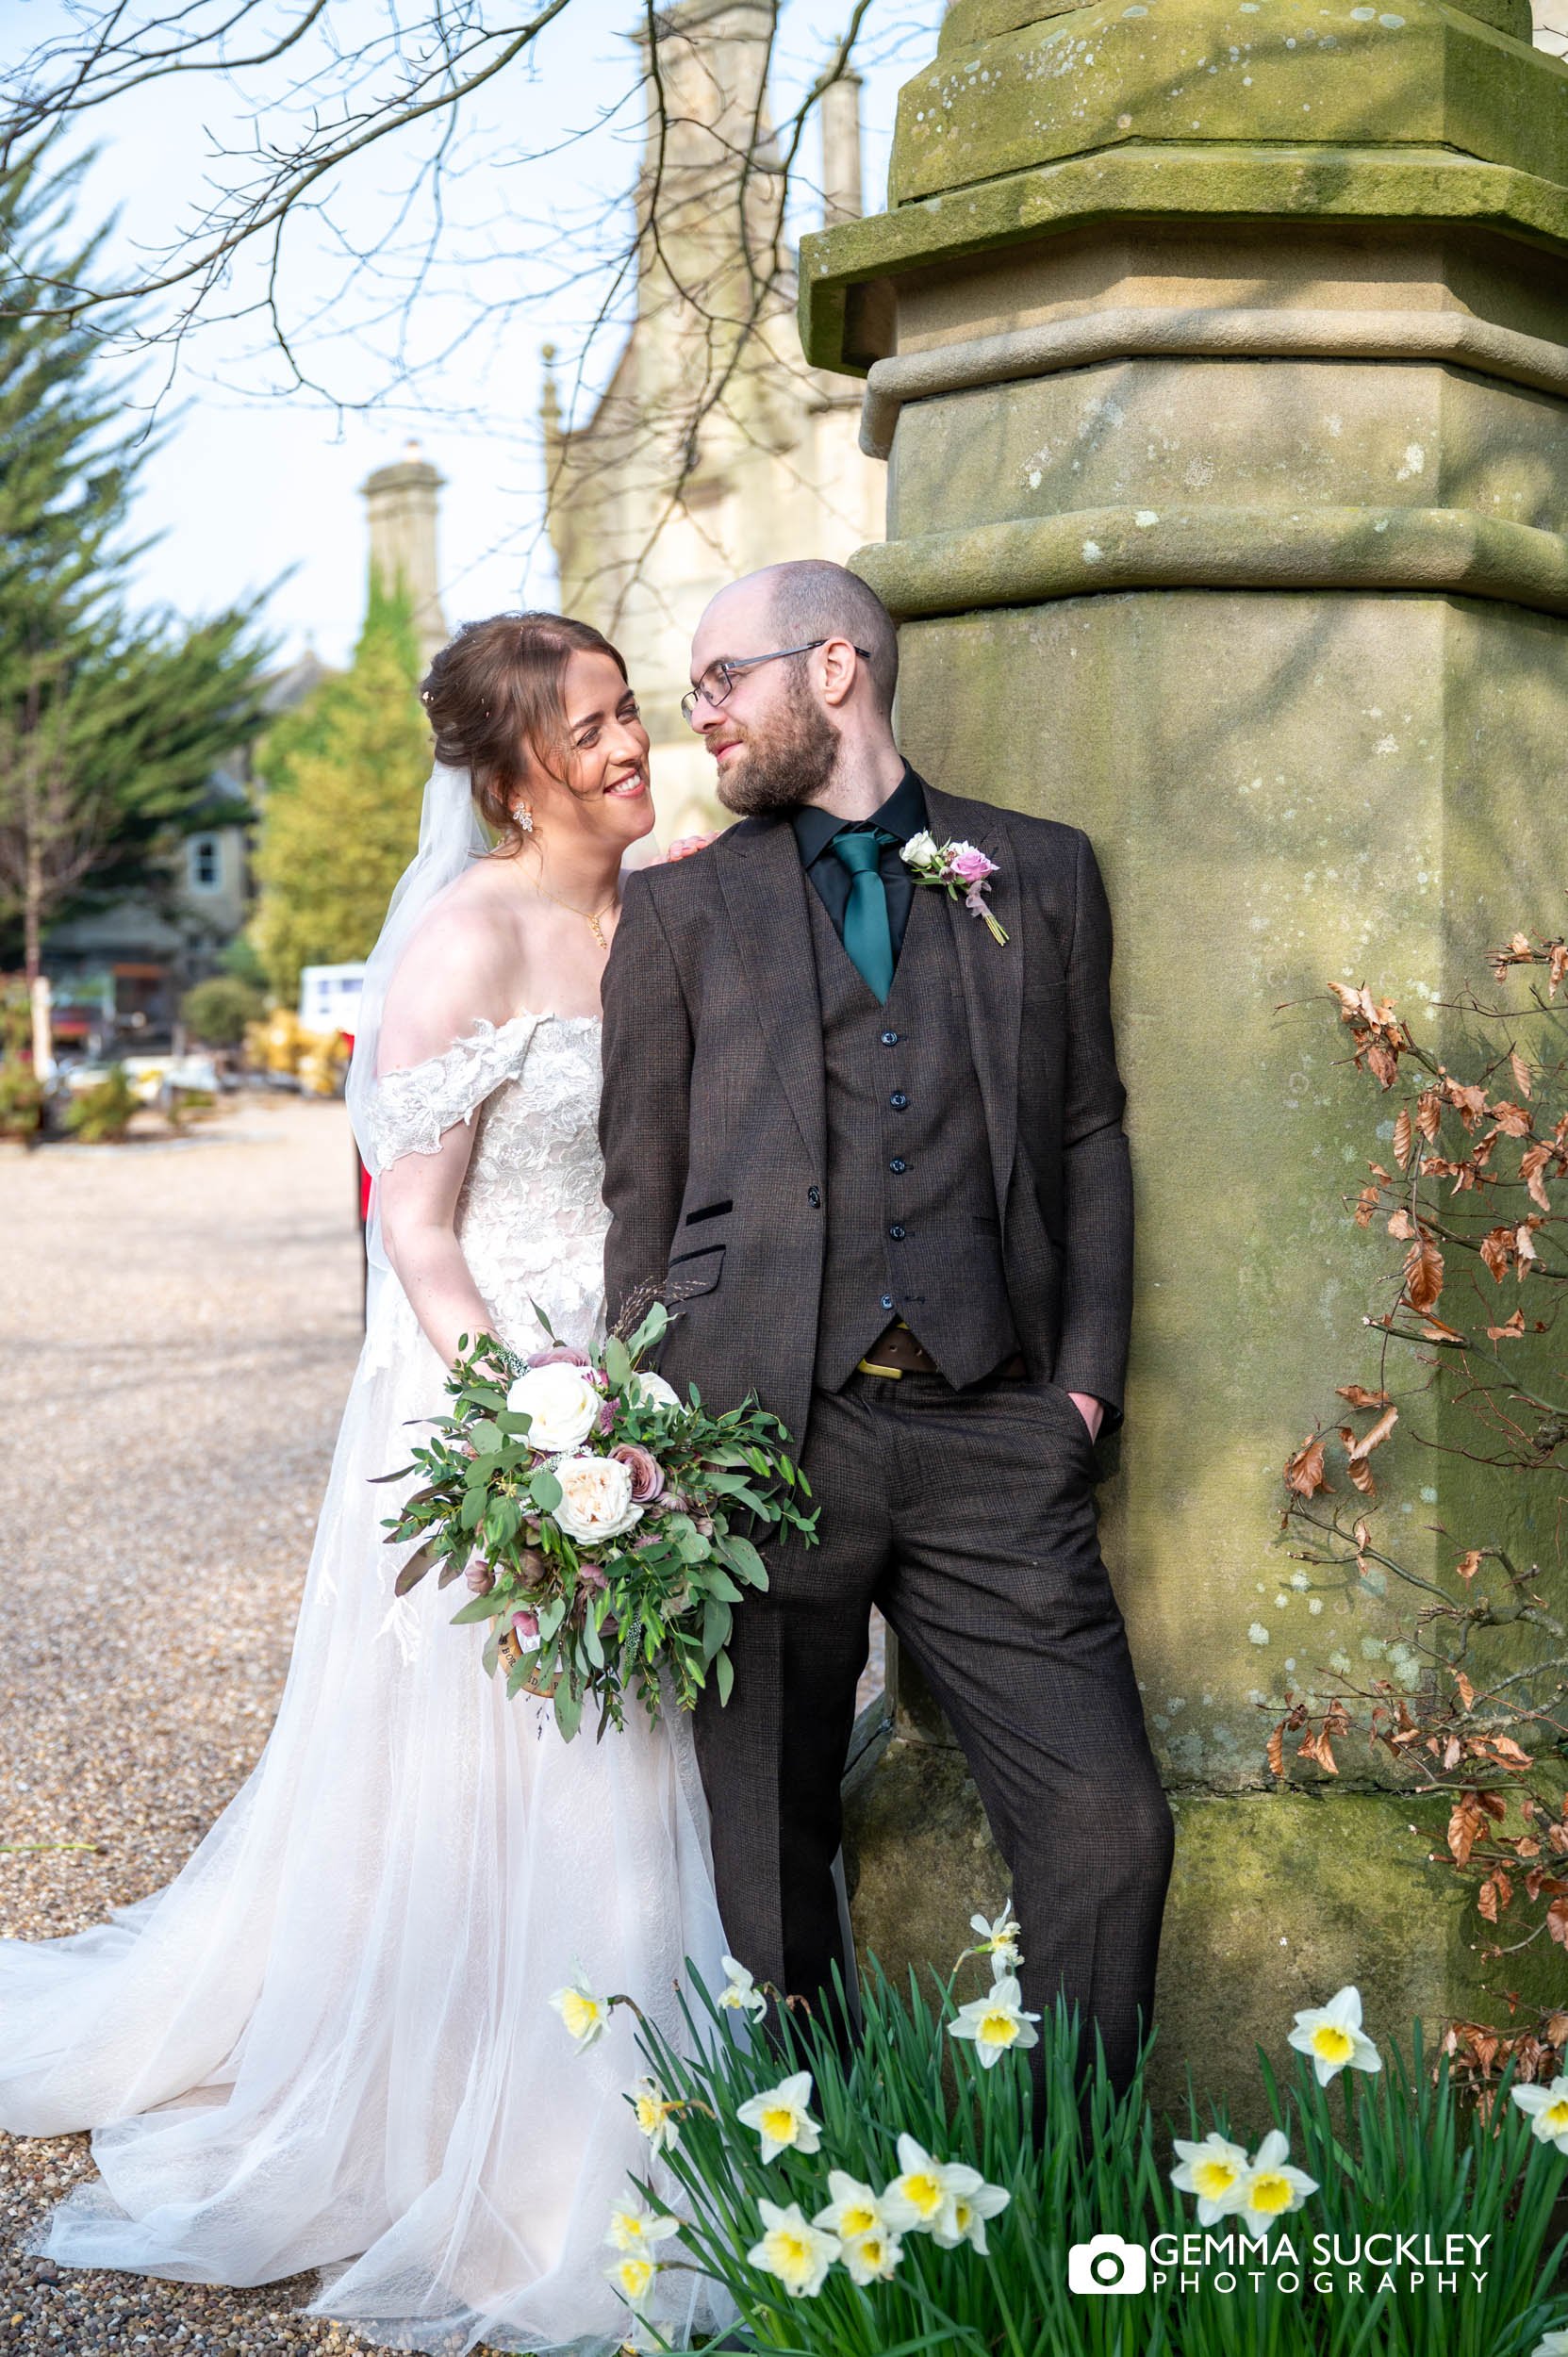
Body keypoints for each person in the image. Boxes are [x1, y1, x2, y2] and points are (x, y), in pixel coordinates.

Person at [0, 613, 729, 2357]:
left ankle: (651, 2099)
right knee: (509, 1761)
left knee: (639, 1756)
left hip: (645, 1383)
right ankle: (500, 2140)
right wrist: (540, 1433)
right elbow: (415, 1232)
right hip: (491, 1396)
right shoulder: (463, 943)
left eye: (634, 714)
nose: (634, 747)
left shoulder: (673, 895)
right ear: (509, 770)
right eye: (600, 727)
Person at [599, 559, 1176, 2102]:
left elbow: (1090, 1138)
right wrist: (651, 1438)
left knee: (1112, 1827)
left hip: (997, 1432)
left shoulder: (1039, 873)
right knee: (774, 1871)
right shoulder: (676, 912)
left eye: (725, 678)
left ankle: (1070, 2200)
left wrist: (1083, 1396)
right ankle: (838, 2169)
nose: (698, 712)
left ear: (834, 669)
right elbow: (638, 1198)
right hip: (759, 1442)